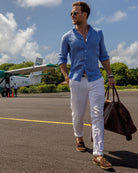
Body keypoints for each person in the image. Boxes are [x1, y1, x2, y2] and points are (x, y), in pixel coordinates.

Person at [58, 1, 116, 170]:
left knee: (97, 116)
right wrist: (67, 77)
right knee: (78, 114)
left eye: (75, 13)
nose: (72, 16)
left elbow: (104, 55)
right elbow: (62, 58)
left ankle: (98, 154)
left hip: (96, 79)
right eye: (71, 13)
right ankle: (79, 136)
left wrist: (110, 75)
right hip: (76, 81)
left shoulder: (98, 33)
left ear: (84, 14)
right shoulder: (66, 37)